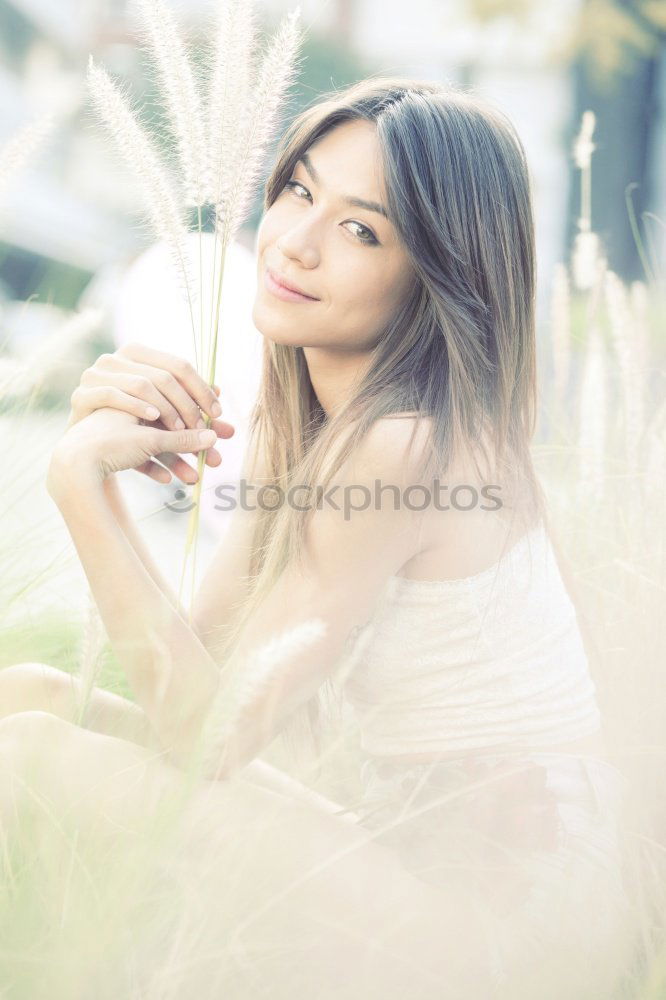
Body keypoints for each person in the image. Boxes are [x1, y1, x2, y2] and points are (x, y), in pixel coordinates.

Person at [0, 78, 634, 998]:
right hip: (411, 854)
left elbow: (202, 739)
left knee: (30, 754)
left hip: (514, 927)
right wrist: (95, 469)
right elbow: (200, 686)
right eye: (299, 190)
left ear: (439, 273)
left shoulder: (404, 444)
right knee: (32, 695)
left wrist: (77, 491)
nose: (294, 241)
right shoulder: (323, 431)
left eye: (361, 229)